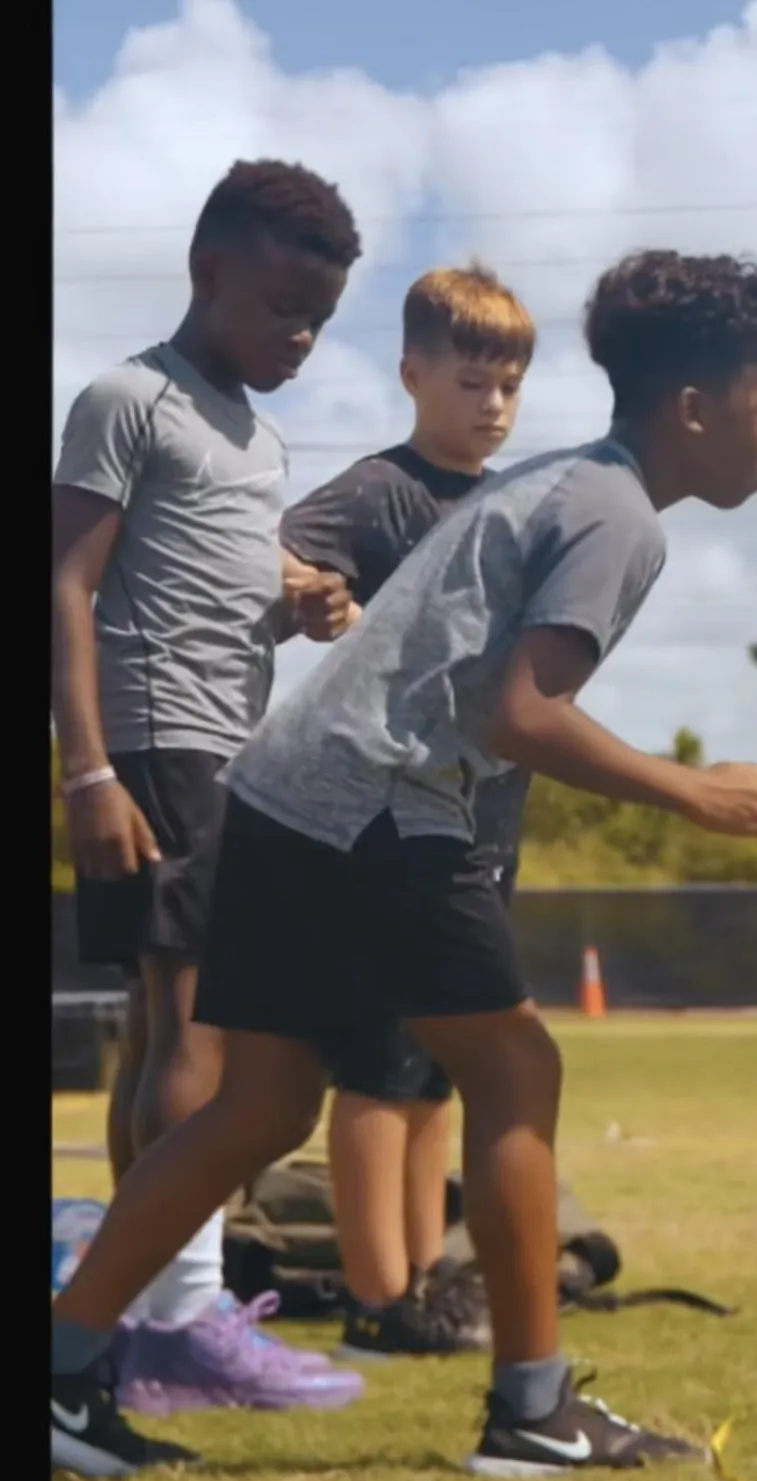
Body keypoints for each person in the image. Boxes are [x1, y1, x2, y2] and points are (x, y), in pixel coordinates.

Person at [50, 247, 757, 1480]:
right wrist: (692, 788)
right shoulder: (617, 516)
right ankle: (532, 1410)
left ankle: (60, 1372)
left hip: (281, 792)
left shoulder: (562, 482)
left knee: (261, 1106)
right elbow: (520, 713)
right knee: (517, 1067)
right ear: (695, 408)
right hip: (379, 806)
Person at [51, 158, 366, 1416]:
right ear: (208, 270)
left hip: (227, 746)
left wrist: (307, 607)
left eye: (321, 321)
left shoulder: (262, 436)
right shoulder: (129, 399)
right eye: (284, 309)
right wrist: (83, 769)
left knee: (165, 1031)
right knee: (200, 1033)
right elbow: (63, 586)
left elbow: (219, 611)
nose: (300, 339)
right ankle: (174, 1322)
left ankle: (131, 1319)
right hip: (157, 749)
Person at [279, 264, 535, 1360]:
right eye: (473, 380)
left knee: (443, 1066)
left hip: (484, 825)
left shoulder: (516, 504)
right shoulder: (378, 489)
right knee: (377, 1070)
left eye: (510, 385)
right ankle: (376, 1298)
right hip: (383, 825)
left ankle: (429, 1275)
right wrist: (310, 588)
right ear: (412, 374)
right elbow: (281, 547)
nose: (493, 404)